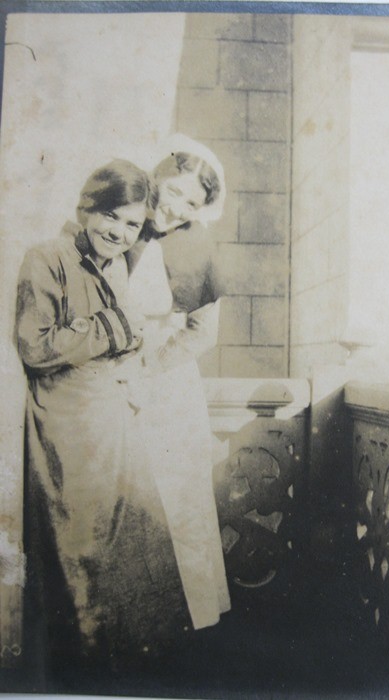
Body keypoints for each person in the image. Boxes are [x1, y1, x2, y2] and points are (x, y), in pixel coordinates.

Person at [15, 160, 182, 670]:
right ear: (86, 207)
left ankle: (124, 666)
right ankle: (80, 668)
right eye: (111, 216)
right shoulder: (46, 258)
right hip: (66, 426)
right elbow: (35, 347)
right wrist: (111, 326)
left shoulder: (113, 265)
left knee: (129, 541)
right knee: (78, 545)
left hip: (109, 420)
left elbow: (121, 339)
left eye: (132, 225)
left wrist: (128, 347)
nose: (119, 232)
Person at [125, 134, 231, 632]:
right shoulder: (121, 223)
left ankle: (188, 621)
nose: (176, 208)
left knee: (176, 496)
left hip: (164, 385)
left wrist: (147, 370)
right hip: (109, 380)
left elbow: (202, 334)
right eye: (172, 192)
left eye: (191, 203)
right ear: (156, 178)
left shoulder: (196, 245)